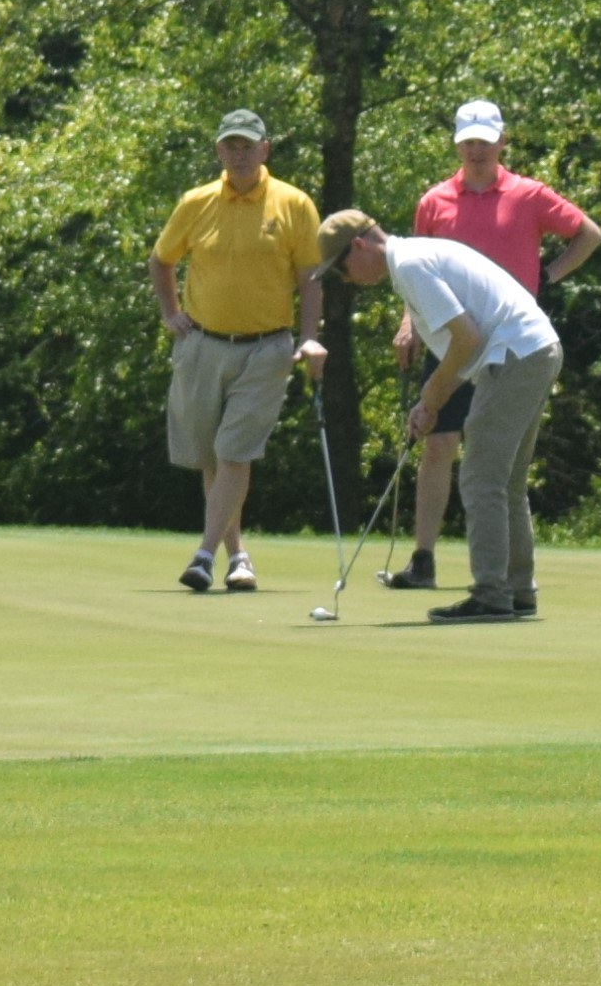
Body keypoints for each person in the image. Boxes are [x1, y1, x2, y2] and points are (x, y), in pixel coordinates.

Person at [382, 100, 601, 591]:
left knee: (495, 470)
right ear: (457, 144)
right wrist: (409, 325)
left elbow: (588, 233)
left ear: (503, 141)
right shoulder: (434, 200)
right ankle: (423, 558)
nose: (477, 149)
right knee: (438, 443)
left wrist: (547, 277)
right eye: (468, 141)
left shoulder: (528, 194)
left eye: (485, 140)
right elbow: (415, 270)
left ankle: (498, 586)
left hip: (506, 343)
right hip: (452, 340)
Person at [317, 207, 561, 623]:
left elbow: (467, 339)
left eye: (341, 270)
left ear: (358, 245)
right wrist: (432, 402)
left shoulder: (410, 265)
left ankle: (491, 594)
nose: (347, 280)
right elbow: (465, 346)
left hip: (517, 354)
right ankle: (518, 590)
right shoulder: (415, 257)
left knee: (481, 478)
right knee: (507, 482)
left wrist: (431, 396)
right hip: (535, 348)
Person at [148, 109, 328, 593]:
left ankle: (204, 555)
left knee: (233, 451)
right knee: (214, 458)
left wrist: (310, 336)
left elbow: (311, 278)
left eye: (248, 145)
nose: (240, 154)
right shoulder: (196, 202)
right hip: (203, 342)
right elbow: (162, 260)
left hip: (267, 347)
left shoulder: (293, 203)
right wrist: (172, 314)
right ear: (219, 151)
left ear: (265, 149)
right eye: (231, 146)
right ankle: (239, 557)